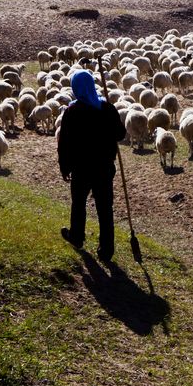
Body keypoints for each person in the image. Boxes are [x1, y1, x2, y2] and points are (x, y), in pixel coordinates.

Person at [57, 69, 126, 262]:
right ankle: (106, 249)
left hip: (81, 168)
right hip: (104, 167)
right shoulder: (107, 108)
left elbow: (65, 142)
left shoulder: (72, 111)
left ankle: (77, 237)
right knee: (105, 207)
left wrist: (64, 166)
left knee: (78, 203)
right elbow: (120, 134)